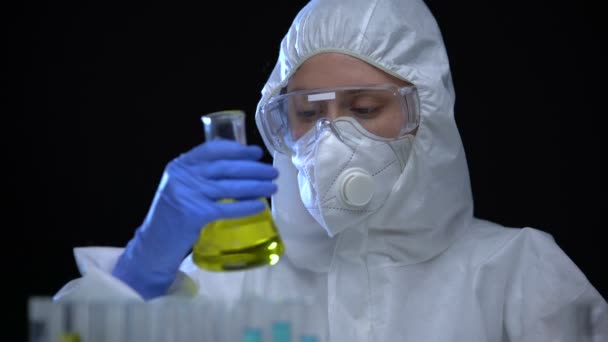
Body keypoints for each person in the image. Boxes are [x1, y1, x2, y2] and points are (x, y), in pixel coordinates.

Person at [54, 0, 608, 340]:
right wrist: (137, 272)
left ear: (427, 116)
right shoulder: (229, 286)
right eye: (307, 114)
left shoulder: (515, 272)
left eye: (365, 110)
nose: (331, 137)